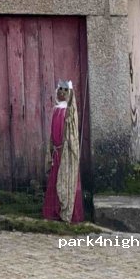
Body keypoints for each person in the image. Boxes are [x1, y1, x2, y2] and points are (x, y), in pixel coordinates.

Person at [43, 80, 84, 223]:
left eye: (65, 90)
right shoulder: (56, 110)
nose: (62, 92)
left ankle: (67, 212)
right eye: (60, 89)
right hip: (56, 152)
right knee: (55, 181)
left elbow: (71, 133)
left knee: (66, 181)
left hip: (65, 151)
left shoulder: (69, 112)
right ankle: (54, 211)